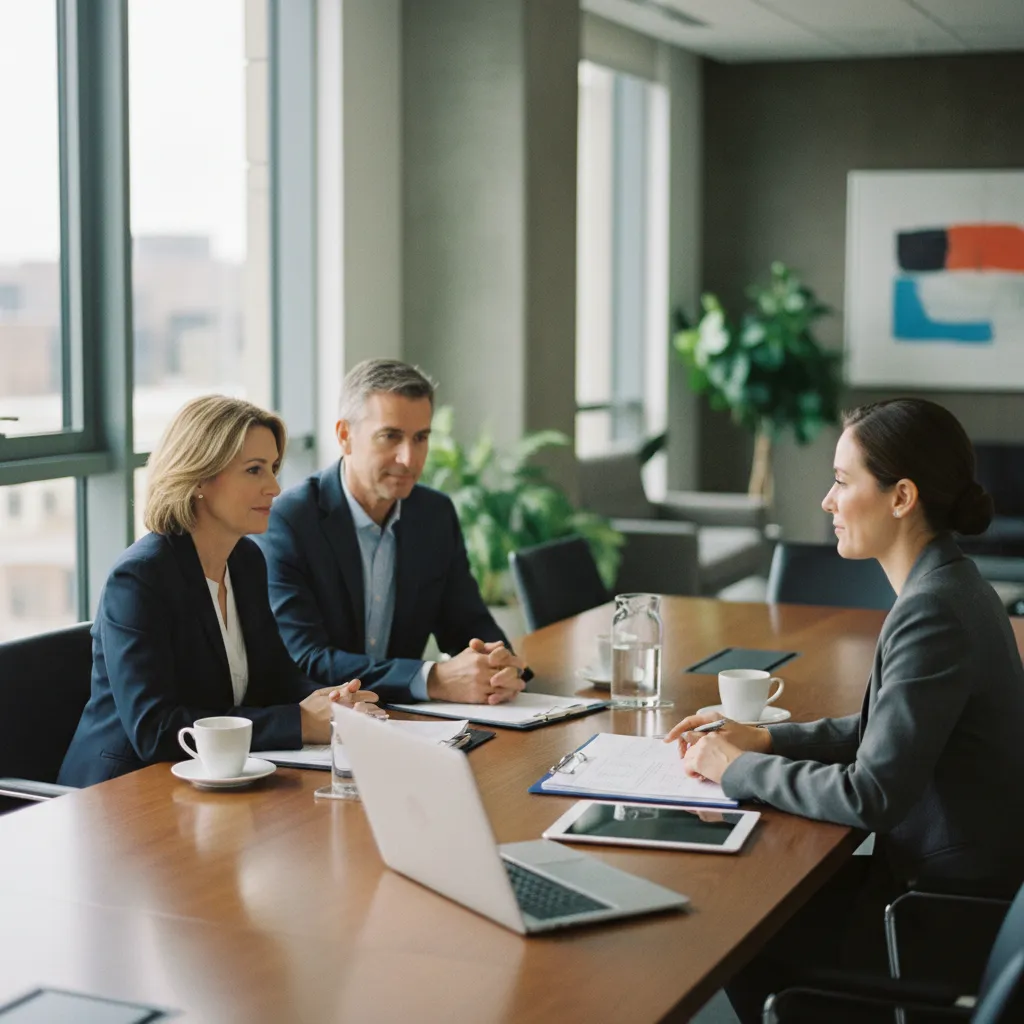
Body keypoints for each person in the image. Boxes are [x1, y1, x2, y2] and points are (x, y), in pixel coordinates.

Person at [666, 398, 1024, 1023]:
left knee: (732, 934)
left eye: (840, 481)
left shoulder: (934, 609)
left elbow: (871, 795)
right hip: (950, 889)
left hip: (934, 915)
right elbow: (879, 731)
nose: (827, 502)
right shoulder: (953, 586)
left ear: (901, 496)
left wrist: (733, 771)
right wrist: (763, 742)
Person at [59, 396, 382, 788]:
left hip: (212, 782)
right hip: (122, 792)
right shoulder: (140, 578)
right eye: (254, 470)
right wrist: (298, 723)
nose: (275, 487)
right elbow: (155, 729)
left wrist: (333, 703)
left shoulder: (246, 560)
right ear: (198, 477)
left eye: (274, 468)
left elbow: (276, 678)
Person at [254, 358, 528, 706]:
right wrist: (432, 679)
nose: (409, 459)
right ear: (345, 436)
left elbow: (467, 625)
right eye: (390, 436)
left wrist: (500, 667)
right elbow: (308, 658)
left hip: (407, 721)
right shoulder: (290, 521)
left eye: (420, 438)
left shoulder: (434, 515)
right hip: (318, 732)